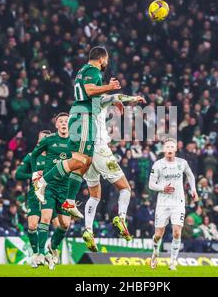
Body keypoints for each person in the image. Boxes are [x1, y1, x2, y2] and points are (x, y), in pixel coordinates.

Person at [34, 47, 121, 218]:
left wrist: (113, 99)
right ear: (102, 58)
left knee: (86, 161)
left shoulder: (85, 70)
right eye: (107, 59)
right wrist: (109, 87)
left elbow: (93, 95)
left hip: (86, 117)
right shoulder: (92, 70)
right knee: (79, 160)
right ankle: (42, 182)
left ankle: (69, 201)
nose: (107, 63)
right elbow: (89, 91)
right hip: (83, 116)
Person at [82, 93, 146, 251]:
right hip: (100, 149)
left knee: (94, 195)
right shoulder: (99, 99)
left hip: (85, 151)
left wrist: (115, 102)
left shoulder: (82, 105)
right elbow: (114, 96)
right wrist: (132, 99)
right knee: (125, 188)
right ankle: (121, 218)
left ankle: (88, 230)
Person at [29, 113, 72, 270]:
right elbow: (33, 156)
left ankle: (52, 247)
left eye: (66, 121)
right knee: (45, 219)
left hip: (65, 188)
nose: (63, 123)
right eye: (60, 121)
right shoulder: (49, 140)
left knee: (65, 224)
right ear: (56, 125)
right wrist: (36, 175)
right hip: (49, 186)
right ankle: (40, 254)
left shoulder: (74, 142)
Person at [148, 138, 198, 271]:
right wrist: (163, 188)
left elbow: (191, 176)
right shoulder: (157, 165)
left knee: (177, 232)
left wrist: (193, 190)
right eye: (167, 147)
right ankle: (155, 253)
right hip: (163, 203)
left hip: (178, 202)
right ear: (164, 149)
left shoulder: (182, 163)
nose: (169, 149)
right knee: (159, 234)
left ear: (175, 149)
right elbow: (151, 185)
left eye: (172, 147)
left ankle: (172, 262)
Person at [15, 129, 59, 268]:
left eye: (46, 138)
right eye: (41, 139)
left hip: (51, 195)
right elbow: (18, 174)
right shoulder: (31, 156)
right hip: (35, 195)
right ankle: (37, 255)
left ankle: (50, 251)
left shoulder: (55, 157)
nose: (43, 141)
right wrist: (34, 176)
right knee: (32, 225)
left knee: (59, 226)